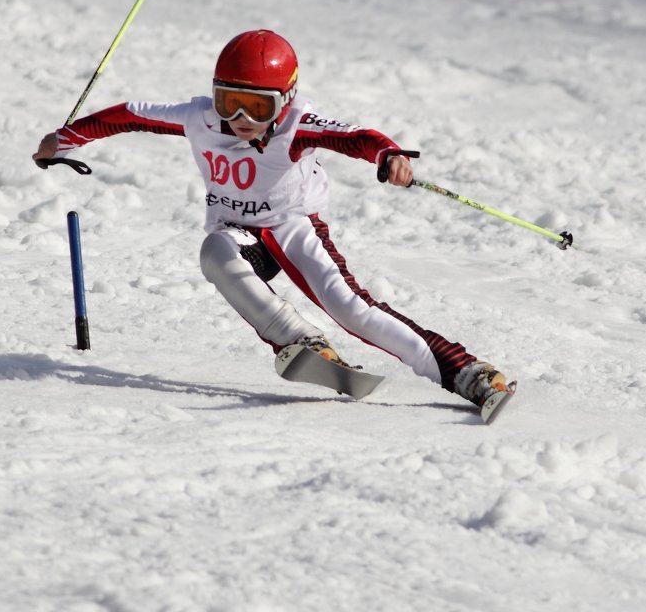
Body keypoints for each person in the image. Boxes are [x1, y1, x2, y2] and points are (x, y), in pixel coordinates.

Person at [32, 29, 511, 411]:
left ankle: (466, 373)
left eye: (258, 106)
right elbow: (127, 115)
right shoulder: (199, 118)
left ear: (285, 99)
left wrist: (388, 154)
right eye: (228, 101)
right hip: (240, 234)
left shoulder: (296, 126)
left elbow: (358, 138)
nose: (240, 117)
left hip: (293, 226)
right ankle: (301, 342)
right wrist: (65, 138)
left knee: (350, 307)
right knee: (215, 252)